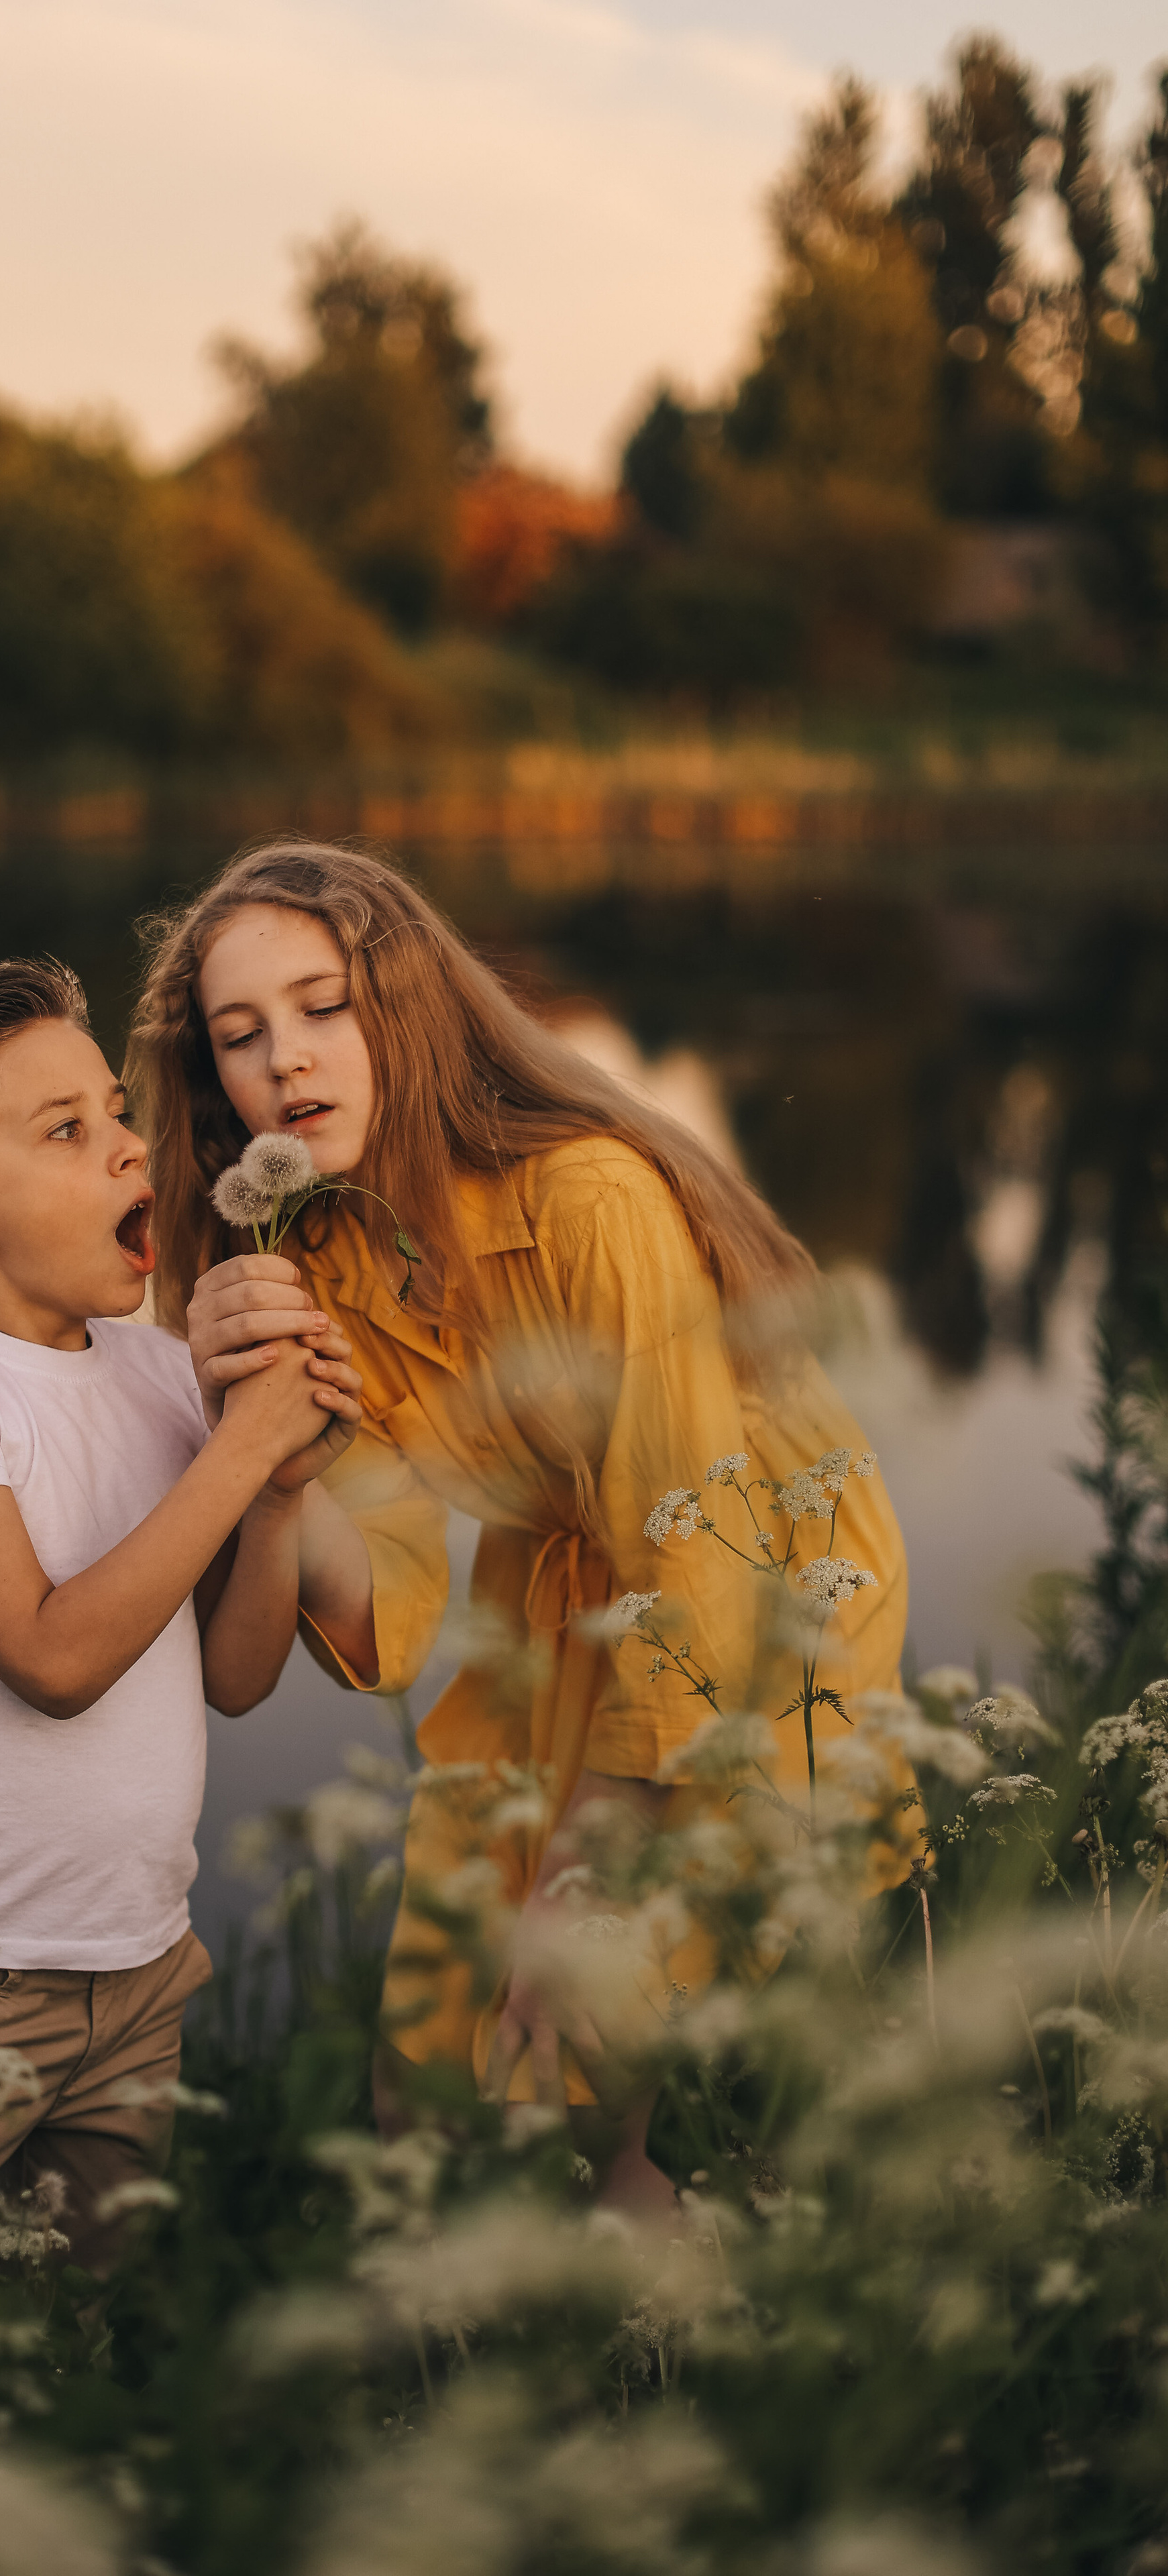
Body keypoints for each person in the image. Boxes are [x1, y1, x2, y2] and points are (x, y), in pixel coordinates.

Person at [127, 842, 912, 2211]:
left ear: (410, 1009)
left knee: (570, 2074)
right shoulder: (310, 1250)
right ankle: (562, 2304)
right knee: (426, 2080)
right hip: (555, 1588)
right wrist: (269, 1447)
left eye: (323, 1007)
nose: (284, 1060)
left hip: (755, 1585)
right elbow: (379, 1583)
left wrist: (587, 1867)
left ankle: (686, 2297)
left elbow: (689, 1544)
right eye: (239, 1036)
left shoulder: (587, 1198)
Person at [0, 957, 362, 2299]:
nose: (128, 1147)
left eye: (116, 1112)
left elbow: (235, 1679)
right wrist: (239, 1452)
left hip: (139, 1971)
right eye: (65, 1131)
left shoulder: (160, 1375)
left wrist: (275, 1490)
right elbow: (51, 1660)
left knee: (72, 2337)